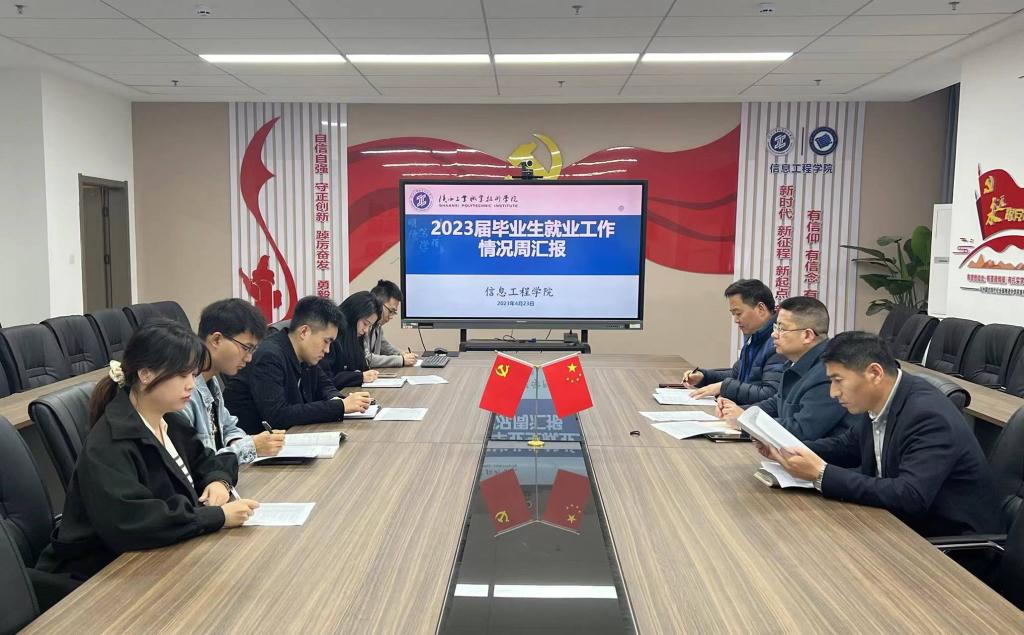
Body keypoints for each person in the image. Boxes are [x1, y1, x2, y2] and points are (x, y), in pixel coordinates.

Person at [36, 320, 260, 581]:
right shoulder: (111, 442)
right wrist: (217, 516)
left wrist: (218, 481)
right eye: (182, 375)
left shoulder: (170, 420)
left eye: (193, 374)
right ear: (145, 375)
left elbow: (208, 461)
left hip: (159, 556)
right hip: (103, 573)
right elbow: (135, 521)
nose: (191, 384)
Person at [756, 331, 1001, 537]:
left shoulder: (928, 416)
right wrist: (786, 448)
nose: (833, 392)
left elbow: (911, 495)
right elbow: (847, 446)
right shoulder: (880, 398)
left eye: (838, 380)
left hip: (947, 544)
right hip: (897, 523)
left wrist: (821, 474)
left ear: (874, 373)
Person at [223, 295, 371, 433]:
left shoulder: (306, 355)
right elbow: (278, 416)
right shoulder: (269, 356)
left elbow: (325, 385)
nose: (327, 350)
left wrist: (337, 399)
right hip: (253, 443)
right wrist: (340, 406)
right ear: (304, 332)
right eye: (326, 341)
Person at [718, 296, 853, 441]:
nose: (773, 334)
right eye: (775, 327)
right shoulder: (794, 362)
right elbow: (777, 403)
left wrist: (747, 421)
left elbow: (802, 430)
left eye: (781, 329)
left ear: (807, 335)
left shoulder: (828, 372)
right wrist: (739, 412)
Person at [180, 298, 285, 464]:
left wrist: (242, 443)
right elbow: (198, 465)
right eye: (246, 348)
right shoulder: (184, 393)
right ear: (216, 340)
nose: (249, 358)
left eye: (253, 350)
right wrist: (251, 447)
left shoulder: (211, 382)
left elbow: (230, 427)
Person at [683, 279, 785, 404]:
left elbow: (770, 394)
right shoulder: (755, 336)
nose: (736, 320)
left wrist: (724, 387)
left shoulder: (779, 342)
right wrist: (704, 377)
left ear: (760, 309)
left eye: (738, 313)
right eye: (733, 314)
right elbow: (738, 375)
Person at [321, 291, 382, 389]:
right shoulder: (331, 338)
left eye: (369, 326)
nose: (366, 330)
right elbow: (326, 380)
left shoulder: (355, 337)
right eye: (365, 324)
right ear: (353, 315)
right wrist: (359, 377)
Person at [367, 279, 418, 368]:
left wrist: (401, 353)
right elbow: (367, 358)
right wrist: (401, 360)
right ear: (378, 304)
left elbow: (384, 346)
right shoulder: (363, 327)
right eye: (391, 311)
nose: (391, 317)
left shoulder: (377, 326)